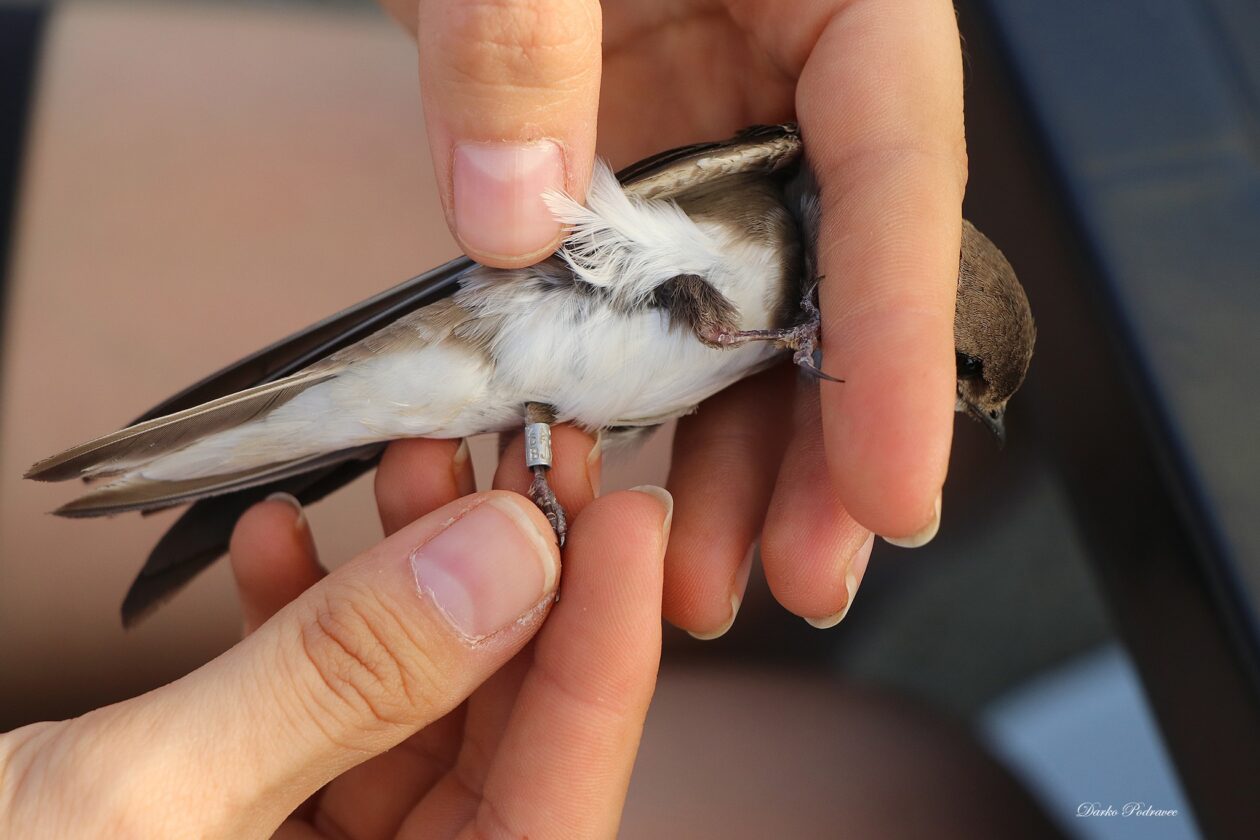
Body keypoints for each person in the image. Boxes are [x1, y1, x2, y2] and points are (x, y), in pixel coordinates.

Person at [2, 1, 1006, 837]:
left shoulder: (803, 318)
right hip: (516, 312)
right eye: (968, 375)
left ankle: (203, 481)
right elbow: (595, 243)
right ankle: (184, 467)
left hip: (540, 384)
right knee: (927, 797)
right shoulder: (783, 183)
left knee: (906, 768)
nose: (957, 400)